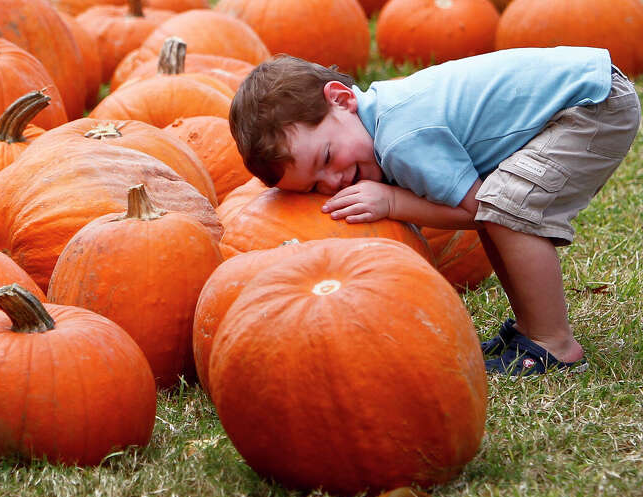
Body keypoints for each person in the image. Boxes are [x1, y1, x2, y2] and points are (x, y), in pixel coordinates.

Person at [228, 47, 640, 377]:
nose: (333, 182)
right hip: (587, 92)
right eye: (315, 186)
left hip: (592, 106)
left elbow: (476, 210)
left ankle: (555, 345)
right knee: (499, 216)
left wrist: (391, 202)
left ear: (341, 99)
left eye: (328, 157)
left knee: (503, 210)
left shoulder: (402, 138)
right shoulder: (380, 114)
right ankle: (530, 331)